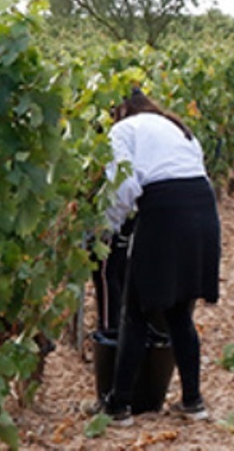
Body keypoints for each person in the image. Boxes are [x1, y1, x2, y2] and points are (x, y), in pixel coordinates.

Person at [86, 88, 222, 426]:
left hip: (165, 210)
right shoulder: (175, 126)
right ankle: (193, 401)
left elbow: (124, 186)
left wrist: (109, 229)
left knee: (136, 309)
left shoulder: (122, 131)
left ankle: (118, 407)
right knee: (179, 310)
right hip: (203, 210)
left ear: (118, 110)